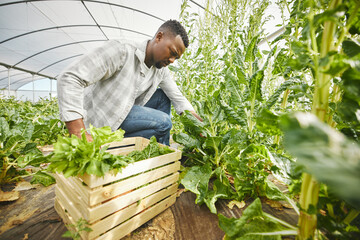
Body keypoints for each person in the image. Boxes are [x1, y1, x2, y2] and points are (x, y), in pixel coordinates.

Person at [57, 19, 202, 145]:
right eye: (172, 52)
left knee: (163, 96)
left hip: (123, 113)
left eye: (176, 58)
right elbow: (70, 77)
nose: (172, 60)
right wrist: (78, 132)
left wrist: (198, 124)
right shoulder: (122, 51)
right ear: (159, 37)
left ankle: (159, 150)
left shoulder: (160, 70)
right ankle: (148, 150)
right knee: (164, 122)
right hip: (100, 123)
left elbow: (177, 98)